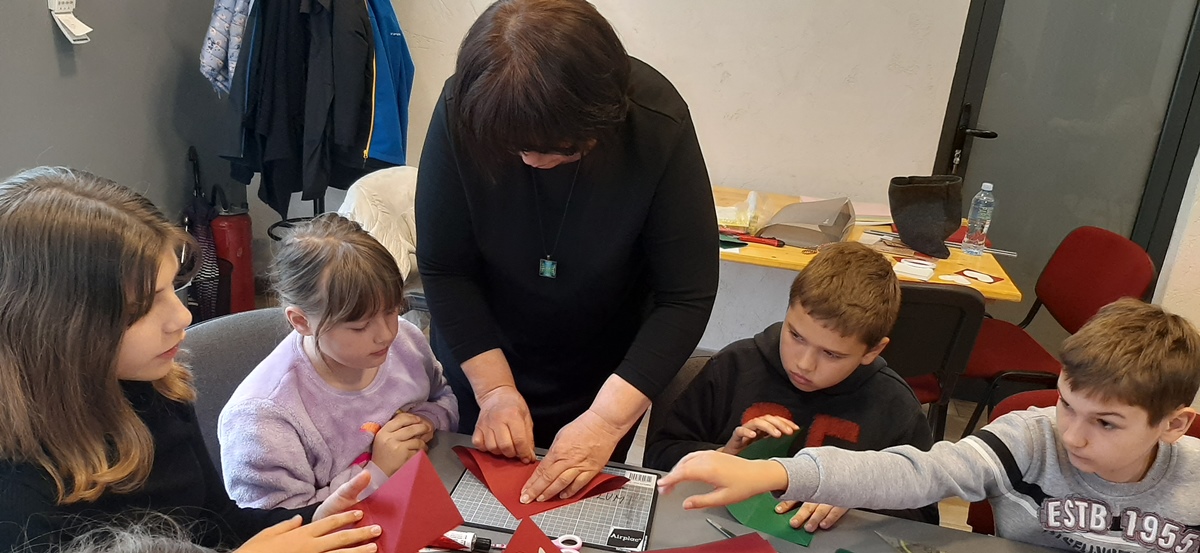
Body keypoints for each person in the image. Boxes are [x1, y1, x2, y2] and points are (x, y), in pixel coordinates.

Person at [414, 0, 718, 504]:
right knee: (472, 511)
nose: (534, 161)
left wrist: (606, 421)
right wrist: (494, 392)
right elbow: (444, 267)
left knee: (578, 511)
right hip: (482, 349)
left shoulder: (655, 122)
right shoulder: (466, 107)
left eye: (558, 148)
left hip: (606, 373)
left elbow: (685, 296)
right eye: (516, 149)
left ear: (603, 115)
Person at [0, 167, 379, 553]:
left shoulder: (156, 388)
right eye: (141, 307)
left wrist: (315, 519)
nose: (182, 317)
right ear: (57, 329)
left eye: (173, 287)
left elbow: (217, 525)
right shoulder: (17, 491)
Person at [660, 298, 1200, 552]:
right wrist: (775, 473)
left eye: (1106, 423)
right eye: (1066, 404)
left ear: (1174, 424)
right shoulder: (1028, 440)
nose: (1072, 435)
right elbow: (919, 472)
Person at [644, 242, 938, 530]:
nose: (804, 364)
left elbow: (924, 516)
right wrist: (724, 455)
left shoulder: (896, 406)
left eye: (831, 354)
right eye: (796, 336)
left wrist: (855, 494)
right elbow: (659, 456)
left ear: (872, 351)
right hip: (715, 529)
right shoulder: (734, 367)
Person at [219, 213, 458, 509]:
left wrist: (428, 421)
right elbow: (287, 524)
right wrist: (377, 471)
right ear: (301, 322)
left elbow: (444, 398)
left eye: (392, 311)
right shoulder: (263, 418)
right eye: (359, 326)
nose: (386, 335)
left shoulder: (406, 341)